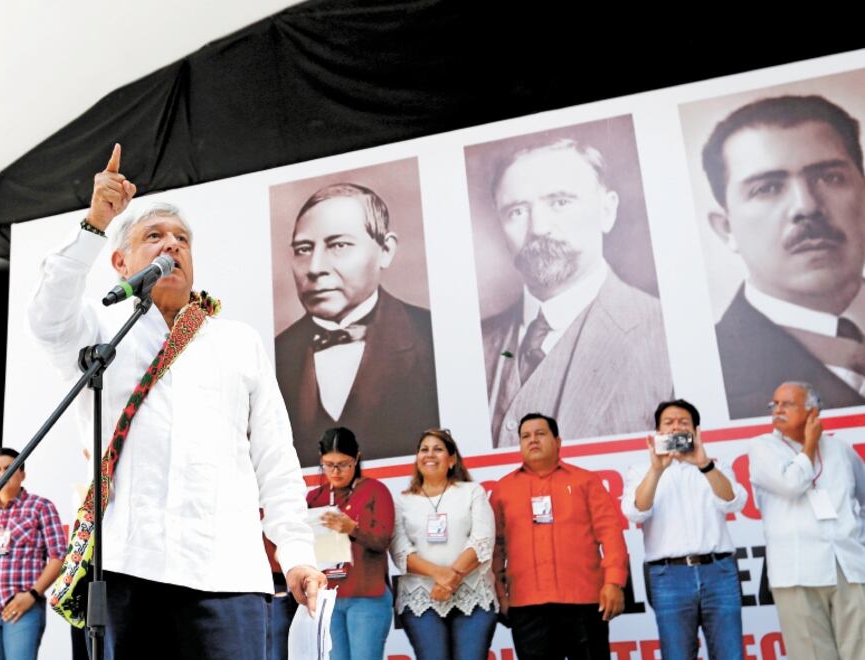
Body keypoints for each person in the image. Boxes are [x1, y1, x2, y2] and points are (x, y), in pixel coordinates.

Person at [28, 144, 322, 660]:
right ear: (121, 262)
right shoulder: (100, 331)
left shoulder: (237, 342)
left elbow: (275, 460)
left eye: (182, 239)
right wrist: (96, 222)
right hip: (126, 571)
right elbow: (48, 316)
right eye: (154, 237)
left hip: (227, 575)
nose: (173, 247)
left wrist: (297, 555)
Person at [482, 137, 672, 448]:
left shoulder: (666, 331)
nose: (539, 227)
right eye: (517, 211)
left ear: (607, 211)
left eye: (560, 202)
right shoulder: (476, 344)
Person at [702, 95, 865, 419]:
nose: (806, 206)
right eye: (767, 188)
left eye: (829, 177)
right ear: (726, 229)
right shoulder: (708, 375)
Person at [275, 183, 439, 465]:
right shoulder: (274, 354)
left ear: (385, 250)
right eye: (303, 249)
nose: (315, 268)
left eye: (339, 245)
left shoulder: (431, 337)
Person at [492, 413, 627, 660]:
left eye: (540, 434)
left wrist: (614, 583)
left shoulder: (586, 481)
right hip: (526, 605)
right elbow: (494, 549)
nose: (532, 440)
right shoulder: (502, 490)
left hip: (584, 601)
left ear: (558, 441)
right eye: (525, 436)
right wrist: (501, 595)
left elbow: (610, 533)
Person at [747, 381, 865, 660]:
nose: (777, 410)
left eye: (786, 404)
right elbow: (792, 484)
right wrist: (810, 444)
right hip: (797, 569)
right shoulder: (763, 448)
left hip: (847, 563)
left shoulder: (841, 450)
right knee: (812, 658)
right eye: (774, 404)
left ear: (813, 411)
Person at [621, 400, 747, 660]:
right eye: (668, 423)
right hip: (669, 577)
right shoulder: (641, 470)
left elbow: (734, 501)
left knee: (731, 659)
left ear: (696, 431)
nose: (676, 426)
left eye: (683, 422)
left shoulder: (716, 466)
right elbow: (635, 512)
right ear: (656, 432)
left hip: (719, 572)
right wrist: (656, 470)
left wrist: (704, 465)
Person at [390, 429, 498, 660]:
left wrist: (453, 578)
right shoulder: (402, 501)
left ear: (451, 460)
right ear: (417, 459)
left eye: (438, 449)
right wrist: (442, 576)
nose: (430, 455)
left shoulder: (472, 492)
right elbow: (400, 551)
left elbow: (482, 541)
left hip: (473, 597)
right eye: (424, 449)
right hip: (422, 599)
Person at [0, 448, 67, 660]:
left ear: (22, 474)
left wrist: (32, 594)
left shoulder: (40, 507)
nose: (2, 473)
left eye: (9, 468)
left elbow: (58, 557)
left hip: (21, 607)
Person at [305, 427, 394, 660]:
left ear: (357, 459)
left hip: (367, 598)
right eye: (329, 464)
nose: (336, 471)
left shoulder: (375, 491)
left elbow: (383, 540)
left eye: (343, 464)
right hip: (329, 598)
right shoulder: (314, 498)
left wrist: (353, 529)